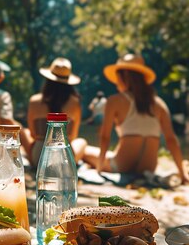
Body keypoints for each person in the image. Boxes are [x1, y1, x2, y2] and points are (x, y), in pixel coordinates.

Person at [82, 53, 189, 183]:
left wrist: (99, 168)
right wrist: (182, 175)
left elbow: (105, 137)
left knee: (82, 146)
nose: (116, 83)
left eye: (117, 78)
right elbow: (171, 140)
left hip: (121, 165)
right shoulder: (159, 104)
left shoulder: (114, 101)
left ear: (125, 76)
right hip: (149, 167)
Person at [20, 57, 86, 167]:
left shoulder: (34, 100)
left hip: (39, 158)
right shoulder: (75, 103)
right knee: (82, 142)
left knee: (24, 131)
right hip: (64, 159)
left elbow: (32, 134)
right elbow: (73, 136)